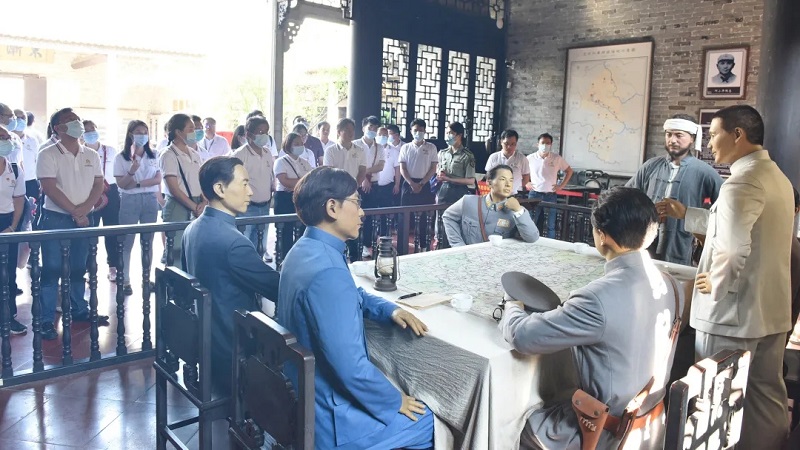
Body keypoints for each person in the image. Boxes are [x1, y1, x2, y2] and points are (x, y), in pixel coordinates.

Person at [502, 187, 683, 449]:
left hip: (604, 433)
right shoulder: (673, 286)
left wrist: (512, 306)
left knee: (510, 423)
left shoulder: (597, 298)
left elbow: (522, 337)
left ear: (602, 236)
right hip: (652, 424)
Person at [659, 105, 792, 450]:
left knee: (715, 400)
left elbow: (732, 248)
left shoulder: (741, 182)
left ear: (738, 135)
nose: (709, 144)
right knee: (764, 394)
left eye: (714, 135)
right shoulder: (775, 177)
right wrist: (687, 214)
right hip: (770, 310)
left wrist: (717, 282)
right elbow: (744, 229)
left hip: (732, 315)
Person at [277, 166, 433, 450]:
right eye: (356, 202)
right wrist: (394, 401)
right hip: (329, 418)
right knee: (431, 422)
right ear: (332, 207)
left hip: (298, 393)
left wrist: (389, 309)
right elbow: (350, 367)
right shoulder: (328, 270)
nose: (362, 212)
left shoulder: (303, 250)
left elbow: (350, 293)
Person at [182, 156, 280, 393]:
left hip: (208, 339)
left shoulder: (192, 228)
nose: (250, 191)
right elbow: (277, 288)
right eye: (244, 183)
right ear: (219, 189)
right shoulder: (234, 242)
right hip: (234, 345)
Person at [37, 108, 109, 341]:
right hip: (56, 218)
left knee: (79, 267)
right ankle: (46, 319)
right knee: (51, 269)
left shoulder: (91, 154)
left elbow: (98, 184)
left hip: (85, 217)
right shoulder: (47, 153)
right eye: (69, 120)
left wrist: (84, 209)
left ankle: (79, 309)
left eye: (76, 119)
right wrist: (75, 212)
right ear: (57, 128)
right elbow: (49, 187)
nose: (76, 123)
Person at [626, 115, 723, 266]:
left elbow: (724, 211)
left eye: (679, 135)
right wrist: (645, 211)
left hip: (681, 245)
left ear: (692, 138)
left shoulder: (705, 172)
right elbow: (626, 198)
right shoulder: (650, 166)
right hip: (644, 242)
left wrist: (696, 224)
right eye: (668, 134)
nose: (672, 140)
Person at [113, 120, 161, 296]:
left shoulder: (154, 154)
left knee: (147, 241)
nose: (143, 135)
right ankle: (125, 280)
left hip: (150, 199)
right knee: (126, 242)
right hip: (129, 200)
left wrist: (138, 183)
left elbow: (158, 179)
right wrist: (132, 171)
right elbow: (122, 184)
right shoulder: (121, 157)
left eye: (145, 132)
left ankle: (146, 279)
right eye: (139, 132)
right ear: (130, 134)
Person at [443, 164, 539, 247]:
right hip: (470, 258)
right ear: (489, 183)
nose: (508, 184)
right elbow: (448, 216)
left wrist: (518, 210)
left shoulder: (516, 211)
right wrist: (458, 245)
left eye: (511, 180)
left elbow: (532, 238)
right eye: (502, 179)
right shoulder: (469, 201)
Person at [159, 113, 206, 269]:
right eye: (190, 129)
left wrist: (204, 201)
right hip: (178, 205)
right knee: (176, 252)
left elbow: (200, 180)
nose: (195, 132)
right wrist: (194, 207)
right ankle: (174, 284)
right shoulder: (168, 154)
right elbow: (173, 188)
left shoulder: (194, 154)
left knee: (194, 249)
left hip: (198, 204)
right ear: (178, 132)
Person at [231, 116, 275, 260]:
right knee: (244, 244)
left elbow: (270, 176)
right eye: (260, 132)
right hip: (247, 208)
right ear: (249, 134)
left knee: (261, 246)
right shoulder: (240, 155)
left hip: (265, 206)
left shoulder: (268, 153)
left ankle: (257, 270)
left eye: (266, 132)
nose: (264, 135)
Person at [82, 120, 121, 281]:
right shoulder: (81, 152)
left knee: (112, 230)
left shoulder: (110, 150)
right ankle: (89, 267)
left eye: (93, 129)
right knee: (91, 231)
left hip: (111, 191)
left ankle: (113, 266)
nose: (91, 132)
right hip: (90, 192)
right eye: (86, 130)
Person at [0, 125, 26, 334]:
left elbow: (19, 200)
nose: (6, 141)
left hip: (8, 223)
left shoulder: (15, 168)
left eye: (7, 137)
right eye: (1, 137)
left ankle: (7, 318)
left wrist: (13, 226)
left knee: (7, 273)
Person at [399, 118, 439, 250]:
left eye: (421, 130)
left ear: (425, 131)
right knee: (404, 216)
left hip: (424, 184)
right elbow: (402, 168)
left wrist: (421, 183)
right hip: (408, 184)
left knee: (424, 217)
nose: (418, 133)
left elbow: (433, 168)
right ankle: (402, 246)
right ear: (411, 131)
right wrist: (412, 183)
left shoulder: (431, 147)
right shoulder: (405, 147)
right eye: (415, 130)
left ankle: (423, 246)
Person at [273, 132, 314, 258]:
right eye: (296, 143)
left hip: (301, 198)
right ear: (288, 145)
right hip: (284, 199)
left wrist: (296, 182)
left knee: (302, 229)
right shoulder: (281, 162)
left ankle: (300, 257)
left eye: (301, 143)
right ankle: (285, 258)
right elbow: (284, 181)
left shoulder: (305, 162)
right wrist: (302, 181)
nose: (300, 146)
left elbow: (311, 180)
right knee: (285, 231)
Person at [526, 133, 573, 238]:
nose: (545, 145)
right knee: (531, 221)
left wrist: (561, 186)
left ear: (551, 144)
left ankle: (551, 243)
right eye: (543, 143)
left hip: (550, 195)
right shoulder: (530, 158)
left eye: (548, 143)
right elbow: (522, 172)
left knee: (551, 224)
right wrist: (526, 182)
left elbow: (569, 171)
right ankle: (530, 240)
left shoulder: (556, 158)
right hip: (535, 194)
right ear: (537, 144)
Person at [353, 115, 386, 258]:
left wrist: (365, 174)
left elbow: (380, 166)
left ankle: (367, 244)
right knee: (355, 216)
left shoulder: (379, 147)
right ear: (363, 128)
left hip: (374, 185)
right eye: (370, 127)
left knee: (370, 216)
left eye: (375, 128)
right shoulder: (355, 145)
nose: (372, 130)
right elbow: (353, 166)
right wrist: (362, 179)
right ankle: (354, 244)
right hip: (357, 185)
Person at [436, 122, 475, 205]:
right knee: (441, 212)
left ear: (459, 135)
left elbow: (471, 180)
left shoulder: (467, 155)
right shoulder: (442, 153)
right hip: (444, 190)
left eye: (451, 133)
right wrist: (440, 173)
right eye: (447, 133)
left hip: (459, 192)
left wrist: (449, 179)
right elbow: (437, 169)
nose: (448, 136)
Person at [485, 129, 530, 195]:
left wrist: (516, 187)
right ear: (501, 142)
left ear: (516, 143)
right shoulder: (493, 157)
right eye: (506, 144)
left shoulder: (522, 158)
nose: (509, 147)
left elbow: (526, 178)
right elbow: (488, 176)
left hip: (515, 194)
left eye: (513, 144)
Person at [11, 109, 41, 198]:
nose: (20, 120)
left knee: (32, 205)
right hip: (11, 182)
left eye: (23, 117)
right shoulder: (6, 140)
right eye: (17, 117)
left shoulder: (32, 140)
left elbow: (38, 161)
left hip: (30, 182)